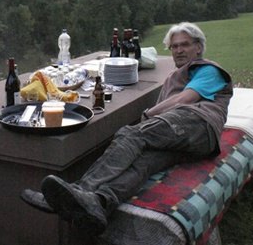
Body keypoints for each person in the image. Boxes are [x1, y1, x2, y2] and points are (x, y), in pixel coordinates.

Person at [21, 22, 233, 235]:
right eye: (174, 46)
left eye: (184, 45)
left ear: (198, 47)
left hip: (198, 123)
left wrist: (148, 115)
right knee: (143, 163)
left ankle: (77, 191)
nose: (178, 50)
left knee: (132, 134)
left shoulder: (208, 69)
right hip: (194, 142)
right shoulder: (177, 76)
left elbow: (184, 100)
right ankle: (100, 203)